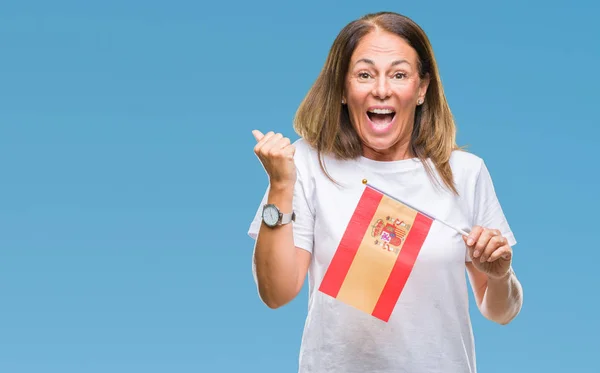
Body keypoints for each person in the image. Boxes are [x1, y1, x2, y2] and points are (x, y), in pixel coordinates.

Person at [247, 11, 523, 373]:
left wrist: (500, 274)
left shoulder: (465, 173)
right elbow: (276, 293)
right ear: (344, 89)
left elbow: (500, 311)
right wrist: (280, 186)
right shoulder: (306, 164)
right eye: (364, 74)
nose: (381, 89)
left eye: (398, 74)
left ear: (422, 88)